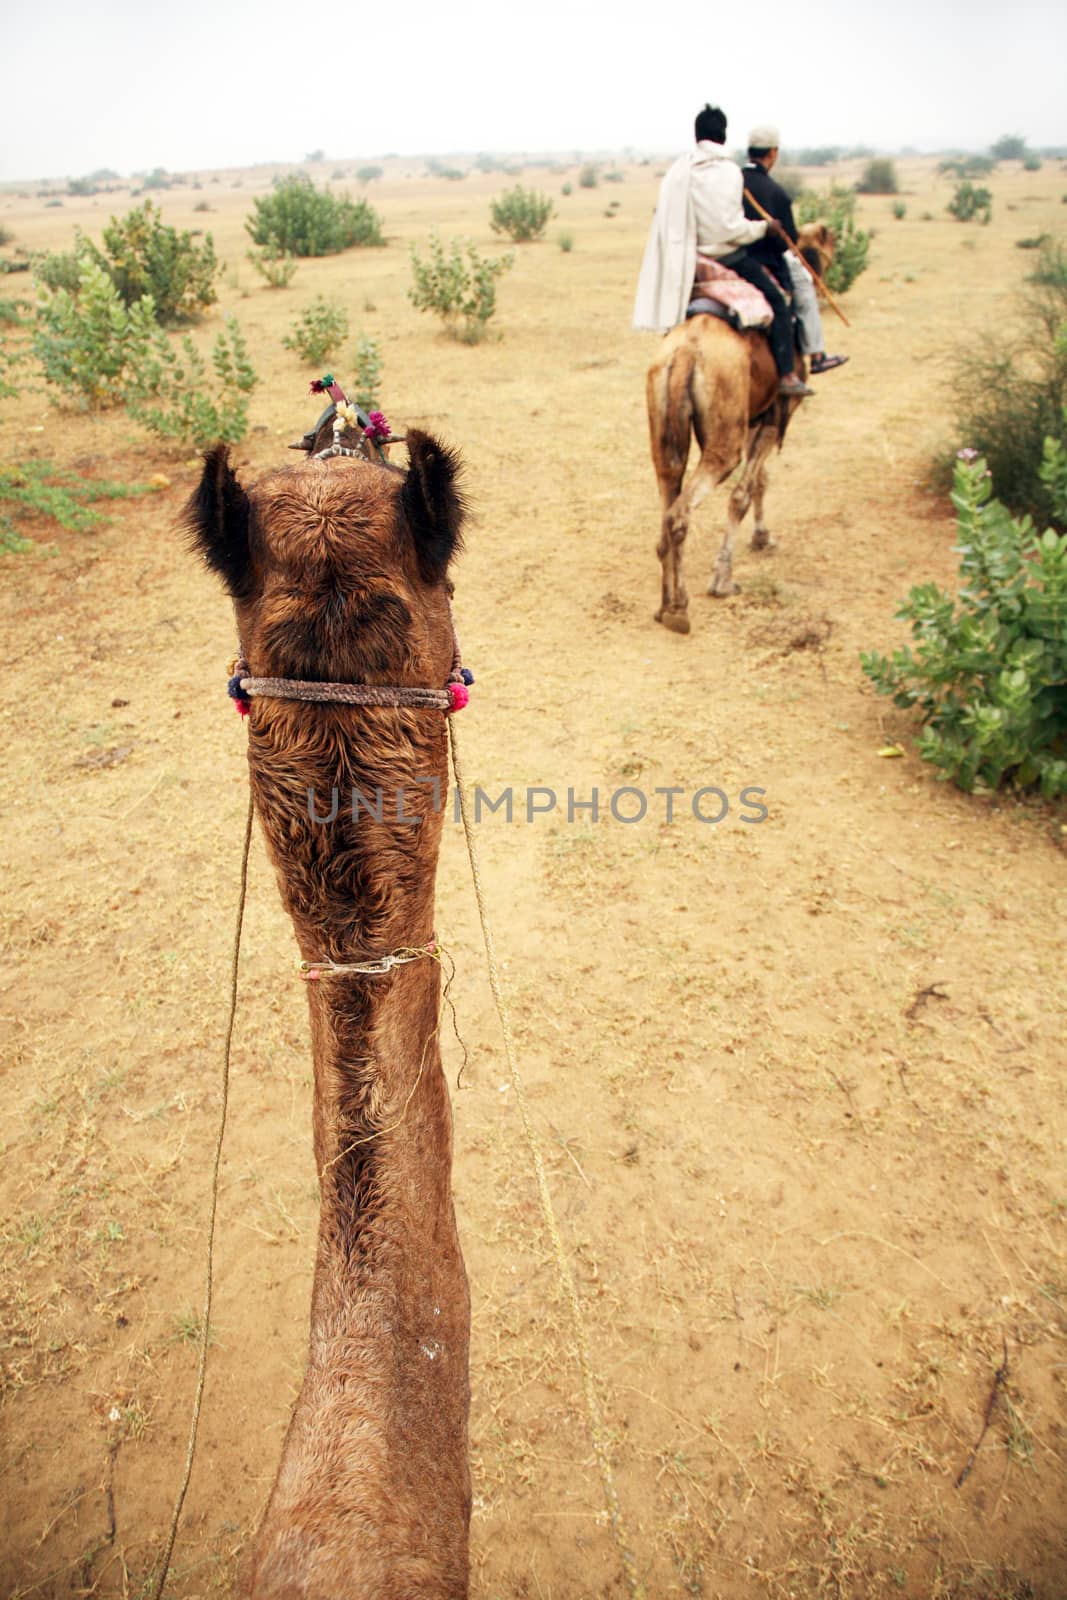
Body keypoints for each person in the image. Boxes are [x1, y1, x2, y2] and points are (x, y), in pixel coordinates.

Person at [634, 104, 812, 397]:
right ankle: (786, 376)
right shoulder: (729, 172)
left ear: (697, 136)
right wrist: (764, 228)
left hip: (688, 261)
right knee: (779, 303)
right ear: (723, 136)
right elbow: (730, 228)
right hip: (729, 258)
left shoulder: (680, 172)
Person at [742, 125, 848, 375]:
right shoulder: (777, 193)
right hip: (764, 257)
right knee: (804, 282)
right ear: (773, 153)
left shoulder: (732, 182)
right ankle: (817, 354)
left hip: (728, 254)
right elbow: (786, 241)